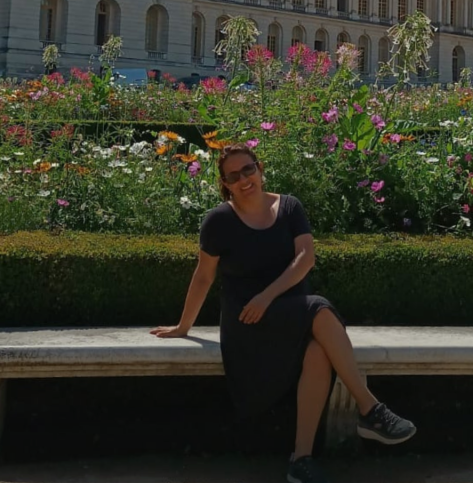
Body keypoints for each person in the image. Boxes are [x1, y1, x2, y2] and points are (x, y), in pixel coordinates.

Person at [151, 144, 416, 483]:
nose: (244, 179)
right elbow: (204, 276)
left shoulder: (290, 207)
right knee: (319, 307)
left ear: (260, 168)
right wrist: (183, 326)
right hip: (248, 322)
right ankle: (369, 409)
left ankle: (301, 460)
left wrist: (268, 295)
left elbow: (306, 258)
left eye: (248, 169)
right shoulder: (219, 221)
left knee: (319, 349)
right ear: (226, 184)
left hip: (290, 314)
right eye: (234, 176)